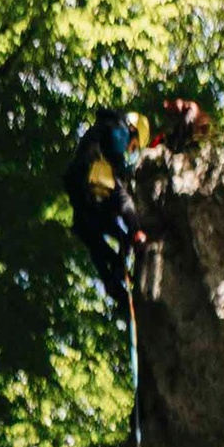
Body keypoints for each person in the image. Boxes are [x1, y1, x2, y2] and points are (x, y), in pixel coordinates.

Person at [67, 103, 147, 304]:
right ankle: (137, 234)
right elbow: (116, 154)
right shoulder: (118, 127)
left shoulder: (97, 130)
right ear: (134, 131)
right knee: (124, 200)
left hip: (81, 195)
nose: (131, 148)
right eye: (134, 145)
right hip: (95, 176)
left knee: (98, 236)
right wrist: (126, 171)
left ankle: (112, 280)